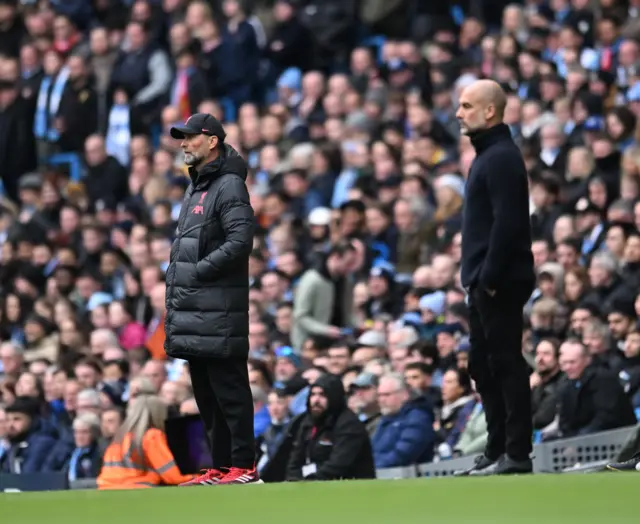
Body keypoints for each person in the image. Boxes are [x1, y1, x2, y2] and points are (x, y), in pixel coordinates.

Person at [164, 113, 260, 485]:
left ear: (212, 141)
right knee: (207, 396)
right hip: (195, 309)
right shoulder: (197, 186)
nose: (183, 144)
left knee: (230, 392)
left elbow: (240, 242)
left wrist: (199, 271)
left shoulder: (230, 185)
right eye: (181, 138)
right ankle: (220, 466)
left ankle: (245, 466)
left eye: (190, 137)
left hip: (218, 309)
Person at [456, 80, 536, 476]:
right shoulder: (489, 156)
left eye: (467, 105)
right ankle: (498, 446)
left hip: (499, 280)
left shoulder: (502, 157)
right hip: (484, 280)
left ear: (490, 111)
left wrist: (488, 275)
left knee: (505, 363)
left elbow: (510, 222)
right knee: (482, 365)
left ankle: (517, 453)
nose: (459, 113)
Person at [286, 374, 375, 481]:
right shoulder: (308, 423)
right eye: (313, 394)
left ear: (334, 396)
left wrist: (309, 480)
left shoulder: (349, 425)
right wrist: (295, 478)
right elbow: (294, 461)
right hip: (313, 483)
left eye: (322, 395)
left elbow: (338, 465)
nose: (316, 400)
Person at [97, 395, 194, 489]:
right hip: (137, 489)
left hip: (106, 489)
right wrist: (200, 477)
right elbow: (173, 476)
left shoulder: (119, 437)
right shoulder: (151, 436)